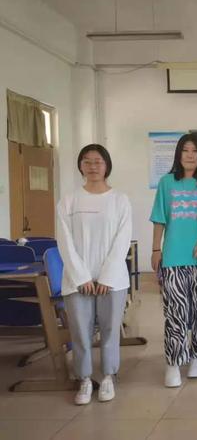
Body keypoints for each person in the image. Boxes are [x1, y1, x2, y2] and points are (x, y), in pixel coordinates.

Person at [57, 144, 132, 405]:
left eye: (98, 161)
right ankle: (85, 379)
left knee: (110, 330)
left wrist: (107, 276)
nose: (92, 166)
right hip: (77, 279)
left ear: (107, 165)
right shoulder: (69, 200)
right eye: (87, 162)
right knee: (80, 331)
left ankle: (108, 376)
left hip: (113, 280)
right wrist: (81, 276)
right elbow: (64, 241)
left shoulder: (120, 200)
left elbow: (122, 239)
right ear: (80, 166)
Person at [150, 133, 197, 388]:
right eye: (185, 150)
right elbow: (159, 218)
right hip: (173, 258)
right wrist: (156, 249)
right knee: (175, 313)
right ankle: (174, 363)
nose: (189, 155)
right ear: (178, 155)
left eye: (194, 151)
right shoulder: (166, 182)